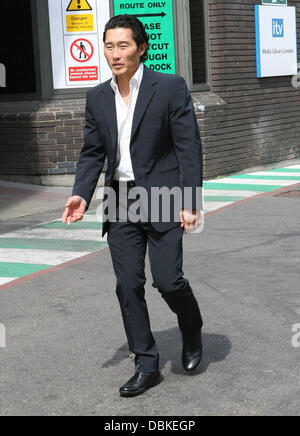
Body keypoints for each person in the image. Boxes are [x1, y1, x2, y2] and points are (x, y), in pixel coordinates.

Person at [62, 14, 204, 398]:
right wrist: (81, 192)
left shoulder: (169, 87)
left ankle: (191, 326)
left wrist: (190, 200)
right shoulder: (97, 96)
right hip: (120, 200)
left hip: (162, 197)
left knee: (167, 280)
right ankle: (147, 363)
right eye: (109, 46)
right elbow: (92, 152)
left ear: (141, 48)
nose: (115, 53)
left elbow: (188, 146)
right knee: (127, 285)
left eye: (123, 45)